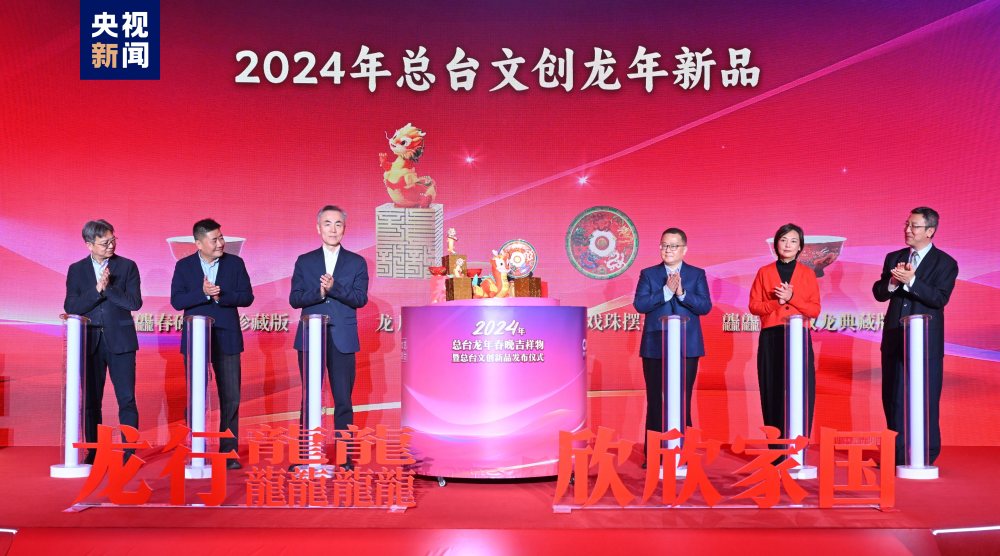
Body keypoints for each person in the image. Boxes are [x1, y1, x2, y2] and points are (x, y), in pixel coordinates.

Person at [873, 207, 957, 465]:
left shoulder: (945, 263)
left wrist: (912, 281)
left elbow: (939, 298)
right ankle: (896, 453)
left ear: (930, 231)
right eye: (907, 224)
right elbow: (879, 292)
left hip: (926, 343)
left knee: (925, 397)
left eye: (914, 226)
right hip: (895, 339)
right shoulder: (894, 257)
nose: (907, 230)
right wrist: (893, 283)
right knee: (893, 397)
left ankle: (924, 454)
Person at [170, 219, 254, 470]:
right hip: (196, 339)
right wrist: (204, 293)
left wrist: (220, 295)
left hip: (227, 337)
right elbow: (177, 301)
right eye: (214, 239)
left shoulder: (235, 263)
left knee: (231, 397)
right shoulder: (184, 266)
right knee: (196, 395)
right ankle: (196, 448)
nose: (220, 243)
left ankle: (228, 452)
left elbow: (247, 297)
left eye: (221, 237)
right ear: (199, 243)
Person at [289, 206, 369, 469]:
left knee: (343, 399)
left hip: (342, 338)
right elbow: (295, 299)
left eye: (338, 224)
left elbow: (359, 299)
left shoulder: (356, 262)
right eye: (327, 224)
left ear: (344, 228)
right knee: (309, 398)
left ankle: (345, 458)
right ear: (318, 228)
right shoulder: (305, 261)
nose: (333, 229)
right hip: (310, 337)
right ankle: (306, 455)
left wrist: (335, 288)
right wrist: (320, 292)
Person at [64, 220, 142, 464]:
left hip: (121, 342)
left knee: (126, 398)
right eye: (105, 242)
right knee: (91, 401)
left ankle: (129, 451)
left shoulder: (127, 266)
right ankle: (94, 450)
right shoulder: (77, 270)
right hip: (89, 343)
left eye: (113, 240)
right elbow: (71, 306)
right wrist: (96, 289)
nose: (111, 245)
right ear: (89, 245)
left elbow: (134, 303)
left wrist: (108, 289)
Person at [633, 228, 712, 455]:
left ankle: (682, 453)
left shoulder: (697, 274)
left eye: (673, 246)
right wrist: (666, 291)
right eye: (664, 245)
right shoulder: (649, 274)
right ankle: (654, 454)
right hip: (655, 347)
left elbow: (705, 306)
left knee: (681, 399)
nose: (668, 250)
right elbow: (640, 304)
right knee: (656, 401)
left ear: (684, 249)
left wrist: (682, 293)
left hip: (687, 348)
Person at [749, 223, 821, 442]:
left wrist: (792, 298)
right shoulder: (764, 272)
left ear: (800, 246)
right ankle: (776, 448)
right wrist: (776, 303)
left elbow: (814, 310)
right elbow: (754, 307)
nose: (788, 245)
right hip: (772, 337)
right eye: (783, 240)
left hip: (798, 337)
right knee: (773, 389)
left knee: (800, 390)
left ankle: (798, 446)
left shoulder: (808, 273)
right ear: (776, 244)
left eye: (793, 241)